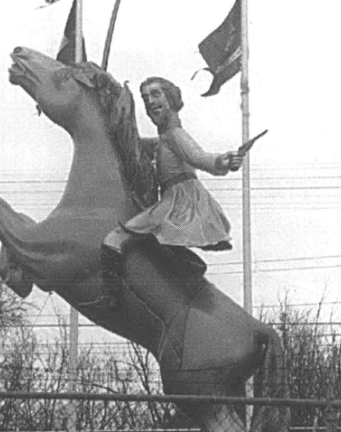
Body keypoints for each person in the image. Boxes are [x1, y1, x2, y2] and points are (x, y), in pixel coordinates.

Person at [81, 76, 247, 310]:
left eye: (156, 94)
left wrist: (224, 160)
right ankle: (188, 275)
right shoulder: (162, 141)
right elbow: (132, 144)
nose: (149, 101)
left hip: (178, 204)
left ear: (172, 99)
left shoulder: (176, 136)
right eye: (145, 97)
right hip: (174, 202)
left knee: (114, 239)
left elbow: (200, 157)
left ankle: (113, 301)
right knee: (160, 250)